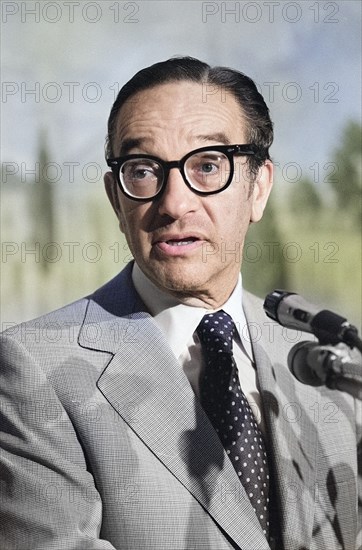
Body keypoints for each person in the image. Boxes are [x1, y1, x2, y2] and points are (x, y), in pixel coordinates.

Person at [0, 57, 360, 550]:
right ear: (116, 199)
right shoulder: (35, 367)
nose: (174, 203)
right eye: (143, 170)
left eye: (208, 165)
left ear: (259, 188)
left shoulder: (327, 362)